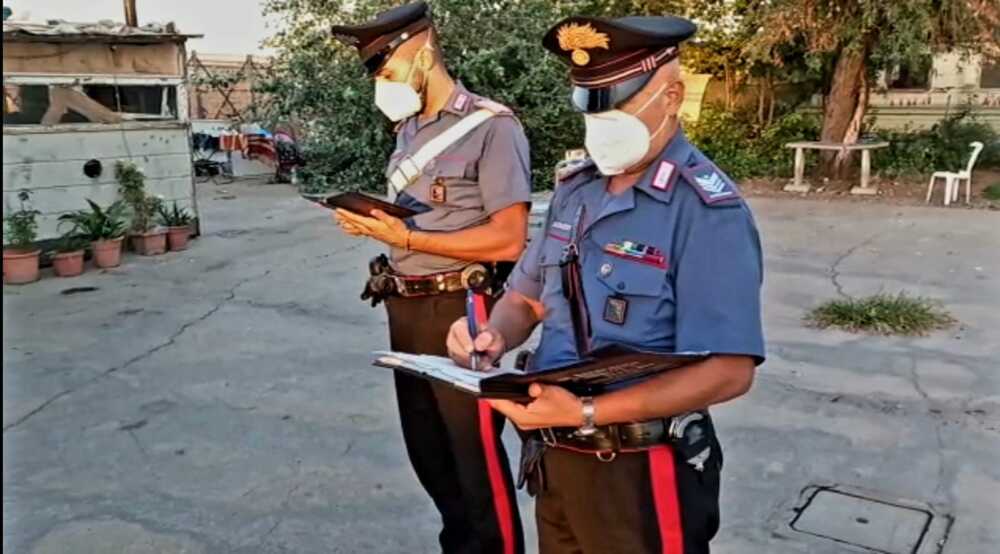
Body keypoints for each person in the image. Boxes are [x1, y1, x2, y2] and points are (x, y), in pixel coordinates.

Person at [446, 14, 765, 554]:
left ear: (671, 96)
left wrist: (587, 413)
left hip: (639, 472)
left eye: (617, 102)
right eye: (590, 103)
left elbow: (730, 371)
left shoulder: (706, 210)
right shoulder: (577, 189)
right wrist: (493, 334)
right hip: (555, 460)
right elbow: (526, 296)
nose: (602, 121)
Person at [329, 2, 530, 553]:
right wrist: (381, 229)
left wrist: (409, 241)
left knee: (474, 460)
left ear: (422, 52)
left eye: (388, 70)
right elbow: (423, 217)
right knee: (430, 454)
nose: (383, 84)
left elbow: (509, 238)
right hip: (406, 306)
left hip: (461, 309)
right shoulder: (410, 129)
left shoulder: (492, 127)